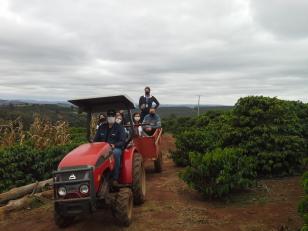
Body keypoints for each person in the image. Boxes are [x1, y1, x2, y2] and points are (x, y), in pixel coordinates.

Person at [94, 109, 126, 186]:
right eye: (109, 116)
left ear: (115, 117)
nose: (110, 117)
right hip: (102, 148)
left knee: (115, 153)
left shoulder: (120, 128)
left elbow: (122, 141)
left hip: (115, 148)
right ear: (107, 117)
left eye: (112, 116)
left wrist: (114, 145)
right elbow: (96, 140)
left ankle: (115, 178)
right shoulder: (102, 127)